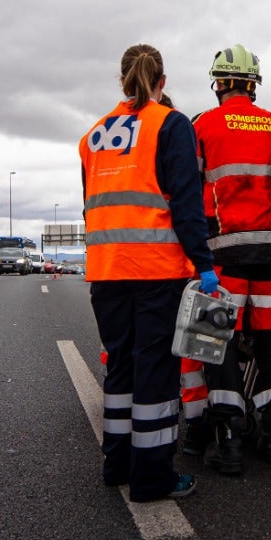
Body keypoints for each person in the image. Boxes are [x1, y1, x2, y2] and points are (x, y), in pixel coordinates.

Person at [81, 44, 215, 502]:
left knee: (119, 369)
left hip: (106, 270)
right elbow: (186, 203)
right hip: (157, 271)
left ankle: (116, 465)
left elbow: (92, 203)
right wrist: (205, 265)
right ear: (163, 82)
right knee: (155, 375)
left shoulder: (94, 134)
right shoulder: (170, 124)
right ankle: (152, 478)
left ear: (121, 80)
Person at [191, 44, 271, 472]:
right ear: (253, 85)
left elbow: (187, 182)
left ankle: (228, 442)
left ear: (219, 84)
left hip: (223, 253)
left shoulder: (202, 124)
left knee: (218, 343)